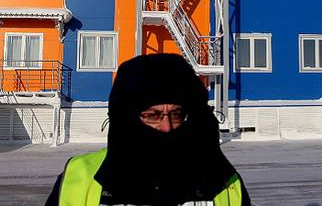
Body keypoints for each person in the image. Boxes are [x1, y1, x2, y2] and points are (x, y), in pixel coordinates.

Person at [45, 53, 251, 205]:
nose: (167, 127)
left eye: (177, 114)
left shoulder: (223, 181)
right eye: (152, 116)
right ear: (127, 118)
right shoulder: (79, 178)